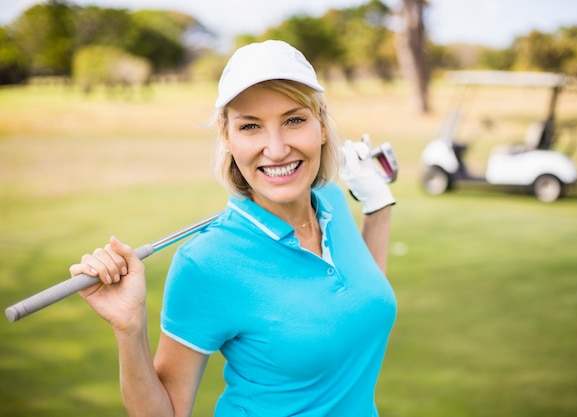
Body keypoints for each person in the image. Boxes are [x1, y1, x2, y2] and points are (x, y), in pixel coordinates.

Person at [70, 40, 397, 417]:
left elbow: (360, 297)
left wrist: (377, 205)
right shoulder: (206, 262)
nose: (275, 150)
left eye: (294, 120)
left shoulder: (333, 202)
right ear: (227, 137)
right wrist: (129, 329)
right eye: (250, 126)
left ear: (321, 125)